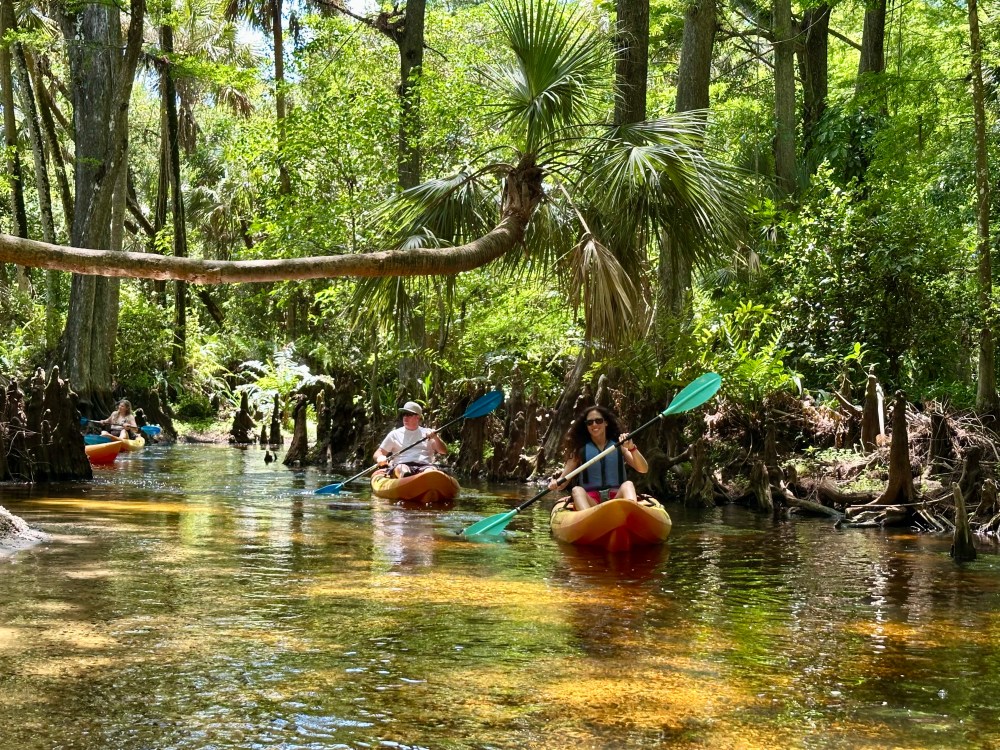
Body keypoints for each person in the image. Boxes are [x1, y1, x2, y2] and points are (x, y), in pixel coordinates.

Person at [548, 405, 648, 510]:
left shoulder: (620, 446)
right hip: (591, 501)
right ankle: (588, 519)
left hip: (617, 498)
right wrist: (555, 483)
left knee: (628, 484)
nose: (594, 424)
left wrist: (632, 448)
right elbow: (562, 483)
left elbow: (643, 469)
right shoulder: (579, 450)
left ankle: (631, 515)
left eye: (598, 421)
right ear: (586, 426)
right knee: (577, 490)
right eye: (589, 422)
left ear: (606, 422)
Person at [374, 401, 448, 478]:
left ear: (418, 417)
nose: (405, 417)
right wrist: (380, 457)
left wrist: (436, 437)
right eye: (404, 414)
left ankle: (427, 480)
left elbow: (443, 451)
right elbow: (378, 453)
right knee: (402, 468)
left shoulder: (429, 433)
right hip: (402, 465)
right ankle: (406, 479)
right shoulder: (394, 434)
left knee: (430, 470)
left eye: (409, 414)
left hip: (425, 465)